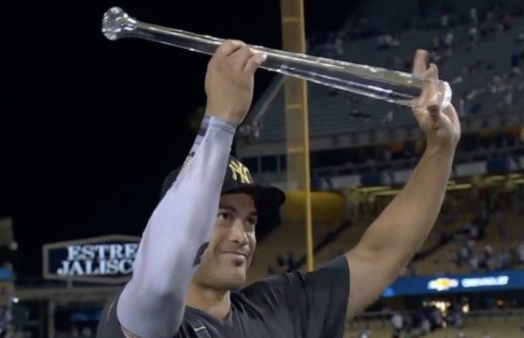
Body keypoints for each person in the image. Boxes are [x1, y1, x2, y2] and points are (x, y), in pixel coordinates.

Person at [97, 39, 461, 338]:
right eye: (224, 215)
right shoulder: (139, 320)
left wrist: (440, 150)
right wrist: (220, 124)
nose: (242, 235)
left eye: (251, 220)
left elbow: (379, 254)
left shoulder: (279, 307)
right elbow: (163, 273)